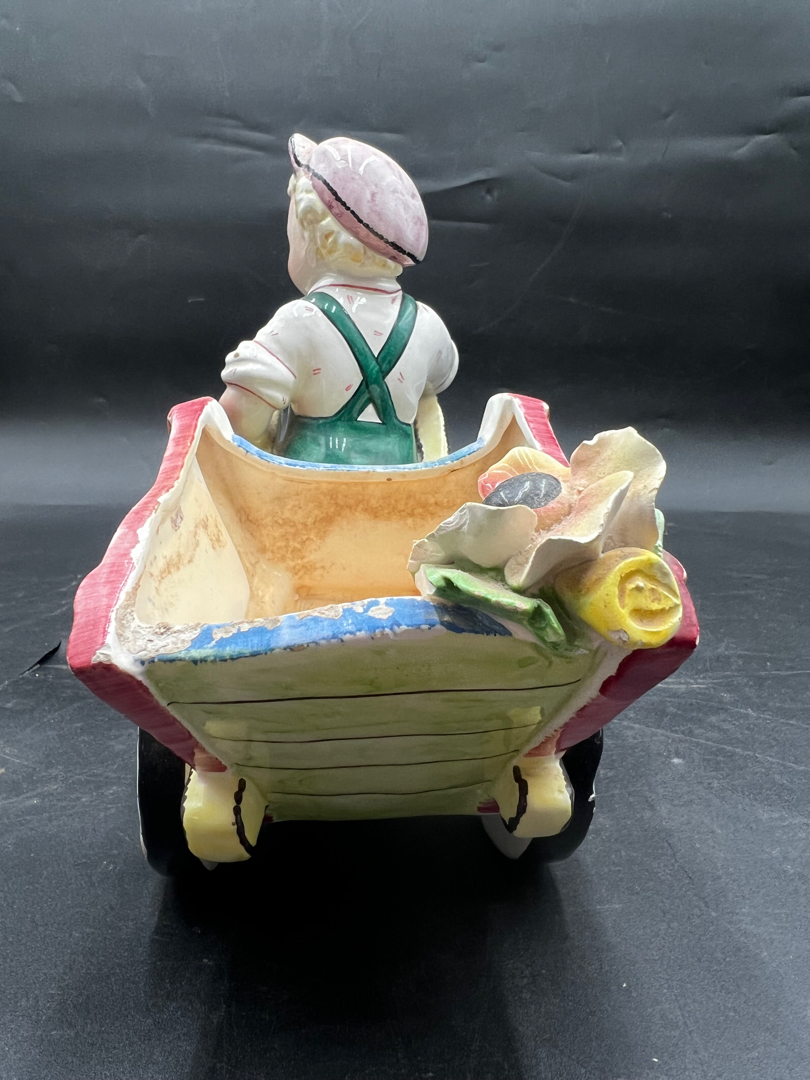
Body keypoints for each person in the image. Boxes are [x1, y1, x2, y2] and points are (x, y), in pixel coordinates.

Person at [219, 133, 458, 466]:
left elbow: (236, 416)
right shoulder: (427, 325)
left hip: (308, 489)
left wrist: (268, 444)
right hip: (401, 489)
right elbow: (439, 379)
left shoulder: (298, 322)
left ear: (312, 235)